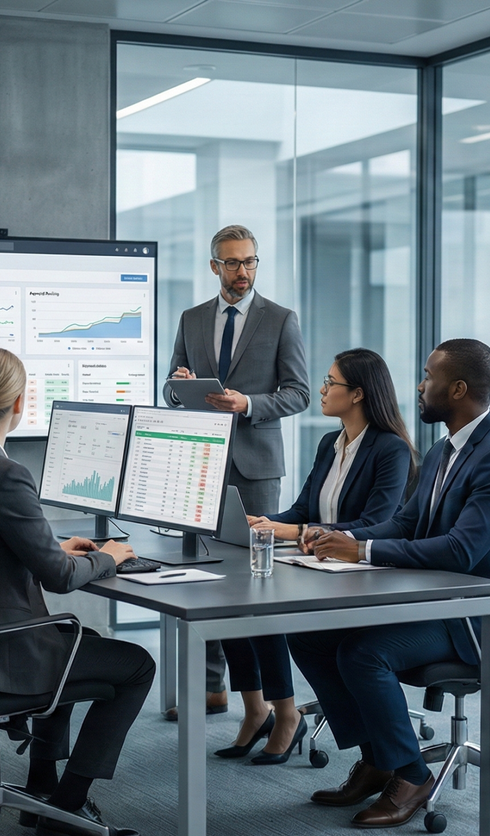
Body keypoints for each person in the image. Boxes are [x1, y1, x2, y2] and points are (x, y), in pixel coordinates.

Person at [0, 347, 153, 836]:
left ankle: (44, 784)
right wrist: (110, 555)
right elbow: (62, 578)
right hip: (0, 654)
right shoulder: (7, 475)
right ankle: (68, 805)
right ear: (20, 402)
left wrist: (49, 546)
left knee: (71, 644)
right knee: (135, 665)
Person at [296, 338, 490, 829]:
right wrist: (339, 537)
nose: (421, 385)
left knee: (364, 653)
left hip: (481, 616)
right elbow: (405, 524)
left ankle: (411, 773)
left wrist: (360, 551)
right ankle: (378, 757)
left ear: (459, 388)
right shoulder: (442, 450)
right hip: (438, 604)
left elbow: (459, 550)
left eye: (429, 376)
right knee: (309, 633)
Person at [212, 348, 416, 764]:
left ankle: (287, 717)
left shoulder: (390, 449)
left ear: (357, 394)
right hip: (318, 565)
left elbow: (376, 524)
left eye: (330, 383)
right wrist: (265, 520)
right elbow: (304, 509)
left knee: (264, 608)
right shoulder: (330, 443)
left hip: (363, 571)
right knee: (232, 603)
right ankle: (260, 711)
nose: (321, 391)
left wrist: (295, 531)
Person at [163, 223, 310, 720]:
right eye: (232, 263)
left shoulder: (281, 320)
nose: (242, 271)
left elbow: (299, 393)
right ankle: (211, 686)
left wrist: (248, 403)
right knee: (199, 575)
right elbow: (170, 385)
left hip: (255, 466)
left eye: (249, 262)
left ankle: (274, 703)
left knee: (256, 585)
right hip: (200, 461)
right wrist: (178, 385)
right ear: (214, 266)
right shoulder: (191, 318)